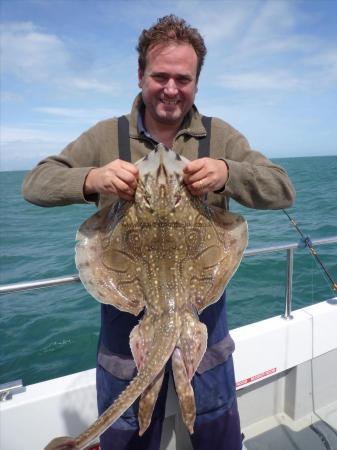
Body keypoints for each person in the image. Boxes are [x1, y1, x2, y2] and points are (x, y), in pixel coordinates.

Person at [22, 14, 295, 450]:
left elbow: (282, 188)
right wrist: (92, 178)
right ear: (140, 76)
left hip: (203, 319)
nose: (171, 88)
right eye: (160, 76)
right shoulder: (106, 136)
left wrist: (228, 172)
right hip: (125, 324)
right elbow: (35, 183)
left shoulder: (218, 136)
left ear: (197, 83)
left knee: (217, 433)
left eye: (182, 79)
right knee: (128, 435)